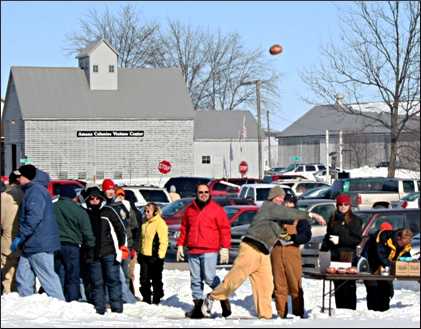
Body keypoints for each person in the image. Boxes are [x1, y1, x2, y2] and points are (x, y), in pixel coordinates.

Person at [202, 186, 321, 320]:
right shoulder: (268, 207)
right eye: (278, 197)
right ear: (271, 198)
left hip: (264, 253)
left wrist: (291, 235)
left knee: (266, 286)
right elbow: (289, 214)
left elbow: (291, 224)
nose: (280, 200)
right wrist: (311, 214)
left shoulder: (279, 215)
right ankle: (211, 297)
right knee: (235, 280)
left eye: (282, 198)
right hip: (250, 248)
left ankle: (265, 317)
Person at [176, 183, 231, 319]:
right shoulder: (189, 210)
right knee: (195, 280)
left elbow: (225, 229)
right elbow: (184, 229)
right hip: (193, 250)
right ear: (196, 193)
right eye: (201, 192)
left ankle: (223, 297)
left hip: (209, 250)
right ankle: (198, 308)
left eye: (206, 192)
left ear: (210, 193)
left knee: (209, 278)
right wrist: (180, 245)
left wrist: (225, 247)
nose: (203, 194)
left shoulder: (216, 209)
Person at [11, 165, 65, 300]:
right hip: (31, 243)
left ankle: (59, 305)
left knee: (47, 276)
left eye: (20, 176)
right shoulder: (32, 190)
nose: (18, 179)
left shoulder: (35, 192)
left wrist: (20, 236)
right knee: (23, 277)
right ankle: (27, 304)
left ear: (28, 177)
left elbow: (33, 217)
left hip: (39, 243)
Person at [82, 186, 126, 314]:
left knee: (113, 280)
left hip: (109, 252)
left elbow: (120, 230)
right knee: (97, 282)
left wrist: (122, 246)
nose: (95, 201)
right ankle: (99, 308)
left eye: (97, 198)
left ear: (101, 199)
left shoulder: (108, 211)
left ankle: (117, 308)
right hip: (92, 254)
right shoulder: (85, 213)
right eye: (92, 199)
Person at [271, 194, 312, 318]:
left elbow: (306, 235)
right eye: (286, 203)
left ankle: (298, 313)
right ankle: (281, 313)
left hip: (292, 252)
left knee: (295, 285)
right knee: (279, 285)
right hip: (276, 252)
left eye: (291, 203)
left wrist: (294, 238)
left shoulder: (300, 219)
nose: (288, 205)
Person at [53, 185, 96, 302]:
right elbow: (86, 231)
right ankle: (73, 298)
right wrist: (91, 245)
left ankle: (58, 297)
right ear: (73, 196)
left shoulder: (53, 208)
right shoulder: (79, 210)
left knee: (59, 272)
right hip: (72, 246)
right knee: (73, 274)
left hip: (55, 245)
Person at [320, 193, 362, 310]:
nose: (343, 207)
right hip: (335, 256)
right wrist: (324, 248)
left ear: (349, 205)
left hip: (348, 256)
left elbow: (356, 239)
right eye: (340, 205)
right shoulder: (333, 219)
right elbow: (328, 235)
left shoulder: (355, 220)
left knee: (348, 285)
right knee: (338, 285)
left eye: (345, 204)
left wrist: (340, 240)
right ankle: (340, 310)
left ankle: (350, 309)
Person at [364, 228, 413, 311]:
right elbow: (380, 255)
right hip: (371, 262)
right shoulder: (384, 237)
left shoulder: (405, 244)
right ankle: (373, 312)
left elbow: (405, 256)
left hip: (386, 267)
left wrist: (409, 264)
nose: (403, 245)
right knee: (373, 288)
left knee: (386, 289)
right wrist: (393, 265)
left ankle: (384, 311)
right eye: (402, 243)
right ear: (399, 238)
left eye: (406, 243)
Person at [139, 202, 168, 304]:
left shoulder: (160, 223)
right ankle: (146, 298)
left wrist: (160, 256)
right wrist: (140, 253)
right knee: (144, 278)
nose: (146, 213)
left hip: (155, 256)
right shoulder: (145, 223)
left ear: (155, 212)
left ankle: (157, 297)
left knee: (156, 278)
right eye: (145, 211)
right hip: (144, 255)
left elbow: (164, 241)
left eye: (148, 211)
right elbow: (142, 239)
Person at [1, 172, 24, 293]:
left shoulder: (5, 196)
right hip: (26, 240)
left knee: (9, 275)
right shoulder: (27, 194)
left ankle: (10, 297)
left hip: (8, 240)